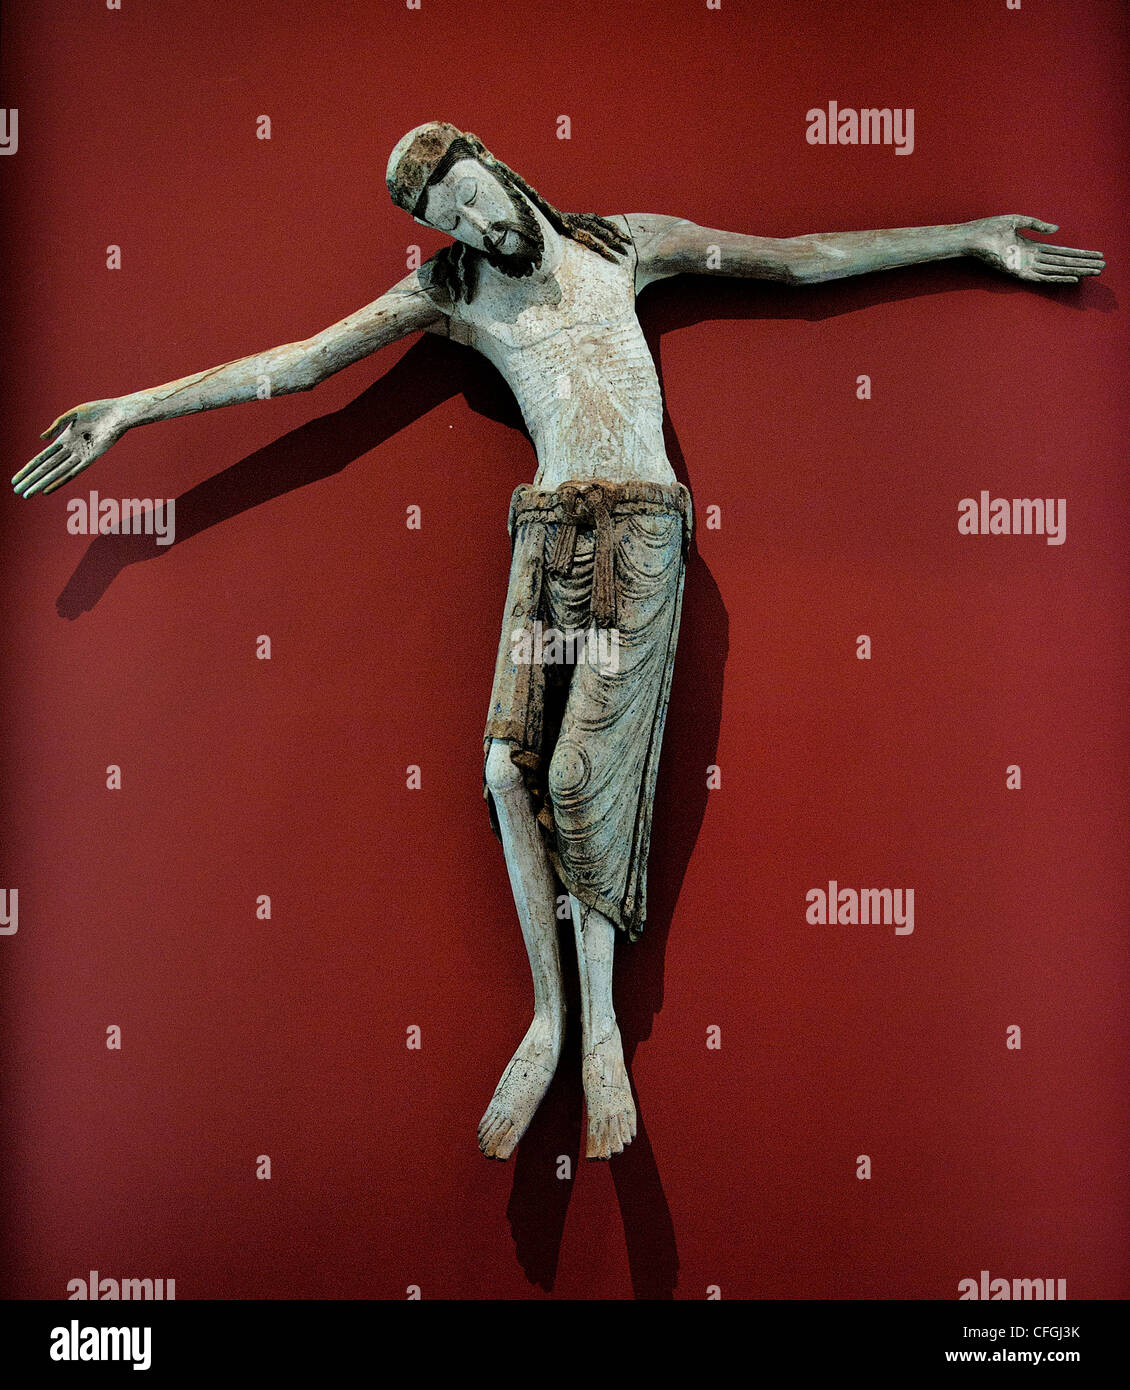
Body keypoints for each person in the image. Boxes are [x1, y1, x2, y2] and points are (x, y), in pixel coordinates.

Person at [13, 120, 1104, 1160]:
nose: (481, 225)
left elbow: (797, 259)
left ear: (493, 163)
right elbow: (300, 365)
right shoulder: (451, 293)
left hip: (638, 535)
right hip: (548, 537)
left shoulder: (621, 244)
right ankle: (547, 1014)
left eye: (474, 195)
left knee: (581, 782)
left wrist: (966, 237)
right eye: (453, 218)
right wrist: (131, 409)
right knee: (501, 768)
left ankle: (598, 1039)